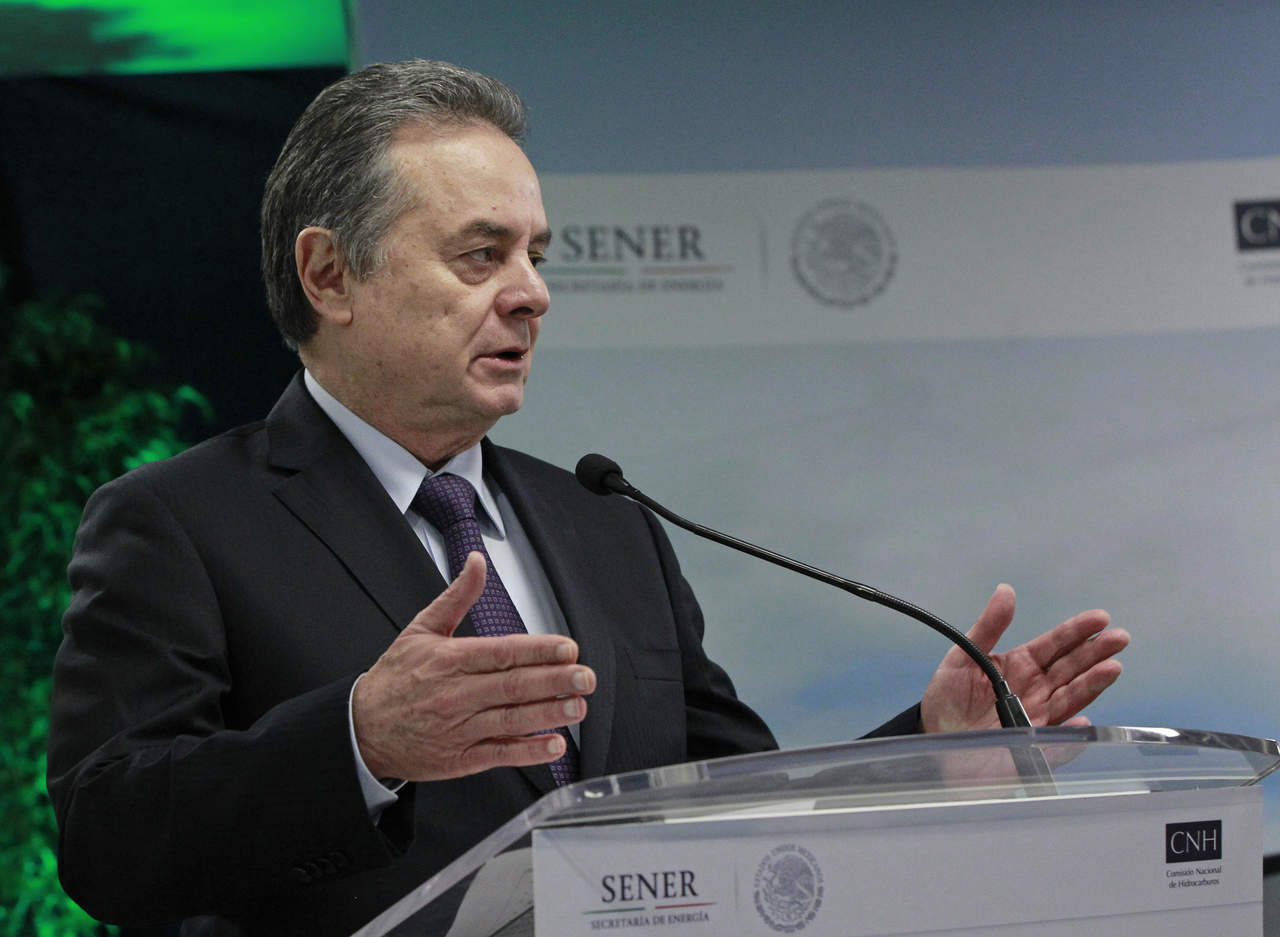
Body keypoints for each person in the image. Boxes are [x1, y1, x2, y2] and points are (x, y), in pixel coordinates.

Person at [45, 60, 1129, 937]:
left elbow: (735, 801)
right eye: (481, 255)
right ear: (329, 274)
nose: (533, 292)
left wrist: (928, 753)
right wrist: (361, 742)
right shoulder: (180, 523)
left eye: (535, 254)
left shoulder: (606, 524)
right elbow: (109, 840)